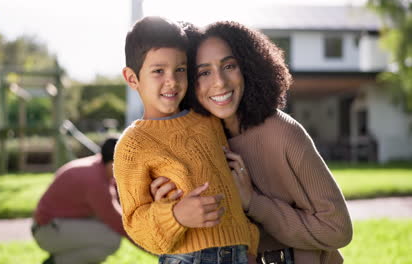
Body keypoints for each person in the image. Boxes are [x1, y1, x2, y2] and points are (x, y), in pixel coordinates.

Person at [152, 21, 353, 264]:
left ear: (247, 68)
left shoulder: (283, 133)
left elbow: (337, 229)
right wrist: (167, 211)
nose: (220, 82)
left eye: (229, 66)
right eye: (204, 72)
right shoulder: (191, 142)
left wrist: (253, 202)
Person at [114, 16, 259, 264]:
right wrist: (175, 216)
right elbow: (134, 221)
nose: (172, 80)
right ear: (132, 78)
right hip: (187, 257)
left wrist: (250, 246)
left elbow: (227, 190)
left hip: (240, 253)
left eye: (180, 69)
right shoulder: (132, 145)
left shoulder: (209, 122)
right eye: (158, 71)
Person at [32, 138, 125, 264]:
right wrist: (155, 250)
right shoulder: (96, 181)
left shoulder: (99, 166)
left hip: (54, 226)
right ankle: (56, 262)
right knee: (111, 238)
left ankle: (57, 260)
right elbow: (120, 224)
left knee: (103, 239)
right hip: (47, 230)